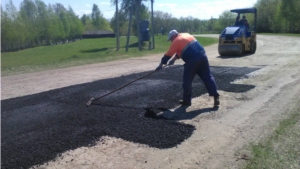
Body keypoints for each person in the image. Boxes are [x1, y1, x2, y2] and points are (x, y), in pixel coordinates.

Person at [155, 30, 220, 106]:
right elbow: (182, 51)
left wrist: (160, 65)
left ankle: (187, 100)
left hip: (192, 61)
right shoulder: (186, 35)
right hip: (203, 56)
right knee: (208, 77)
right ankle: (216, 96)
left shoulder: (176, 41)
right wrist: (173, 60)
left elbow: (167, 55)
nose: (171, 41)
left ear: (173, 36)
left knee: (187, 80)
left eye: (171, 39)